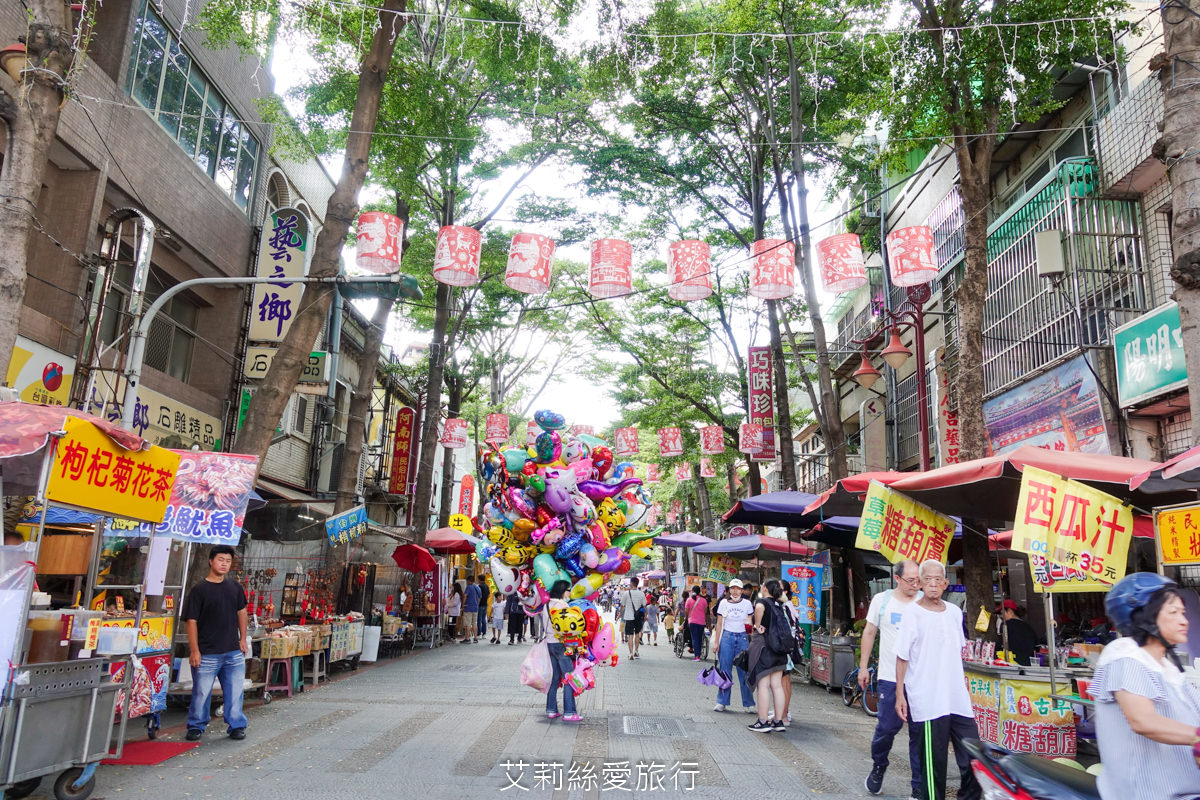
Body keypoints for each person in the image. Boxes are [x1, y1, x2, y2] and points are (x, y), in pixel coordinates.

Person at [1093, 573, 1200, 800]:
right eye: (1173, 612)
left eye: (1182, 613)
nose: (1184, 621)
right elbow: (1143, 721)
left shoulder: (1167, 667)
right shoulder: (1124, 655)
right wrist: (1197, 736)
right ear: (1144, 615)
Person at [894, 560, 980, 800]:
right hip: (928, 701)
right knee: (934, 769)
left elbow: (956, 651)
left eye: (937, 579)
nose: (933, 584)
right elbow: (901, 657)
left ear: (945, 583)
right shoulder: (912, 613)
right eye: (927, 579)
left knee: (975, 760)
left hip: (958, 700)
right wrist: (900, 695)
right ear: (920, 583)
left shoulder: (954, 613)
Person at [862, 560, 923, 797]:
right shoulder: (882, 600)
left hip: (919, 680)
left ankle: (918, 785)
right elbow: (869, 632)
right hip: (889, 677)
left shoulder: (924, 602)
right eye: (910, 580)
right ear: (897, 579)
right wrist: (863, 667)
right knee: (887, 728)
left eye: (918, 580)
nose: (915, 585)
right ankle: (879, 765)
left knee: (919, 733)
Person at [183, 545, 249, 742]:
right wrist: (194, 650)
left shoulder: (235, 587)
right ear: (211, 561)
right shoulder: (199, 590)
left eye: (228, 561)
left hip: (233, 651)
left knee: (235, 691)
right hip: (207, 652)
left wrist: (243, 639)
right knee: (201, 692)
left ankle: (236, 725)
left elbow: (242, 613)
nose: (224, 564)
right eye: (221, 560)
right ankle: (196, 726)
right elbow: (191, 621)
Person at [745, 579, 790, 732]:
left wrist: (757, 625)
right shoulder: (779, 604)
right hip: (780, 649)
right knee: (777, 686)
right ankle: (778, 721)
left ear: (764, 588)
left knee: (763, 685)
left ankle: (763, 721)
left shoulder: (762, 602)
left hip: (765, 648)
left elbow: (758, 610)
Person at [711, 579, 756, 714]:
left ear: (742, 590)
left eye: (738, 589)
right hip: (727, 637)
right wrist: (716, 642)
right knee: (725, 671)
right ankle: (722, 701)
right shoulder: (723, 603)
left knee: (744, 672)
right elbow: (719, 623)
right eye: (733, 588)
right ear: (729, 590)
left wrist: (751, 638)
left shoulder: (747, 604)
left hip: (742, 638)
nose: (735, 591)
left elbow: (749, 621)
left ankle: (748, 703)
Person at [544, 580, 581, 722]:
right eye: (568, 590)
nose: (569, 593)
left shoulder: (546, 605)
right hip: (562, 645)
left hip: (549, 644)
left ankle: (551, 710)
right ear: (562, 590)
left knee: (554, 678)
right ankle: (569, 712)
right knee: (568, 678)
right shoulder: (563, 605)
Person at [994, 599, 1037, 666]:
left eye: (1002, 613)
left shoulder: (1005, 625)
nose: (1002, 617)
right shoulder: (1028, 627)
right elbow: (1036, 645)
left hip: (1011, 663)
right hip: (1028, 664)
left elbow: (1001, 644)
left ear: (1010, 611)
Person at [620, 578, 647, 660]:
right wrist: (646, 615)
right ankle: (636, 651)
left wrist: (620, 613)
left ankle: (631, 653)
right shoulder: (641, 593)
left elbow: (622, 605)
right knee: (637, 634)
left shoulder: (626, 593)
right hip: (638, 617)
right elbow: (645, 606)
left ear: (631, 583)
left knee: (630, 635)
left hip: (629, 617)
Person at [684, 586, 708, 661]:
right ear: (699, 591)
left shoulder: (689, 600)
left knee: (695, 638)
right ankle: (699, 654)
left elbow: (686, 611)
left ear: (692, 591)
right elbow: (705, 611)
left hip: (692, 621)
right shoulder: (704, 600)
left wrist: (687, 619)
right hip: (701, 622)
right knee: (700, 638)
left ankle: (697, 656)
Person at [461, 575, 480, 643]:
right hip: (475, 608)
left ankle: (467, 638)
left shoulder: (469, 587)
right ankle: (475, 638)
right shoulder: (477, 587)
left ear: (469, 581)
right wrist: (476, 604)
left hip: (468, 607)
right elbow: (479, 597)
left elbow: (465, 596)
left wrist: (463, 605)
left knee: (468, 624)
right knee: (474, 623)